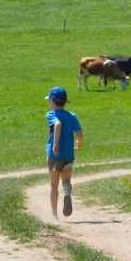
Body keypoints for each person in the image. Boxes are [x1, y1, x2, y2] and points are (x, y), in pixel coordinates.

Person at [44, 86, 83, 218]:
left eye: (49, 100)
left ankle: (54, 215)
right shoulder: (72, 116)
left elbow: (58, 125)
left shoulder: (51, 114)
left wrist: (55, 143)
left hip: (54, 155)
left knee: (54, 186)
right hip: (68, 155)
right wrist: (78, 143)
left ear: (52, 101)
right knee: (66, 180)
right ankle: (67, 193)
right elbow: (79, 133)